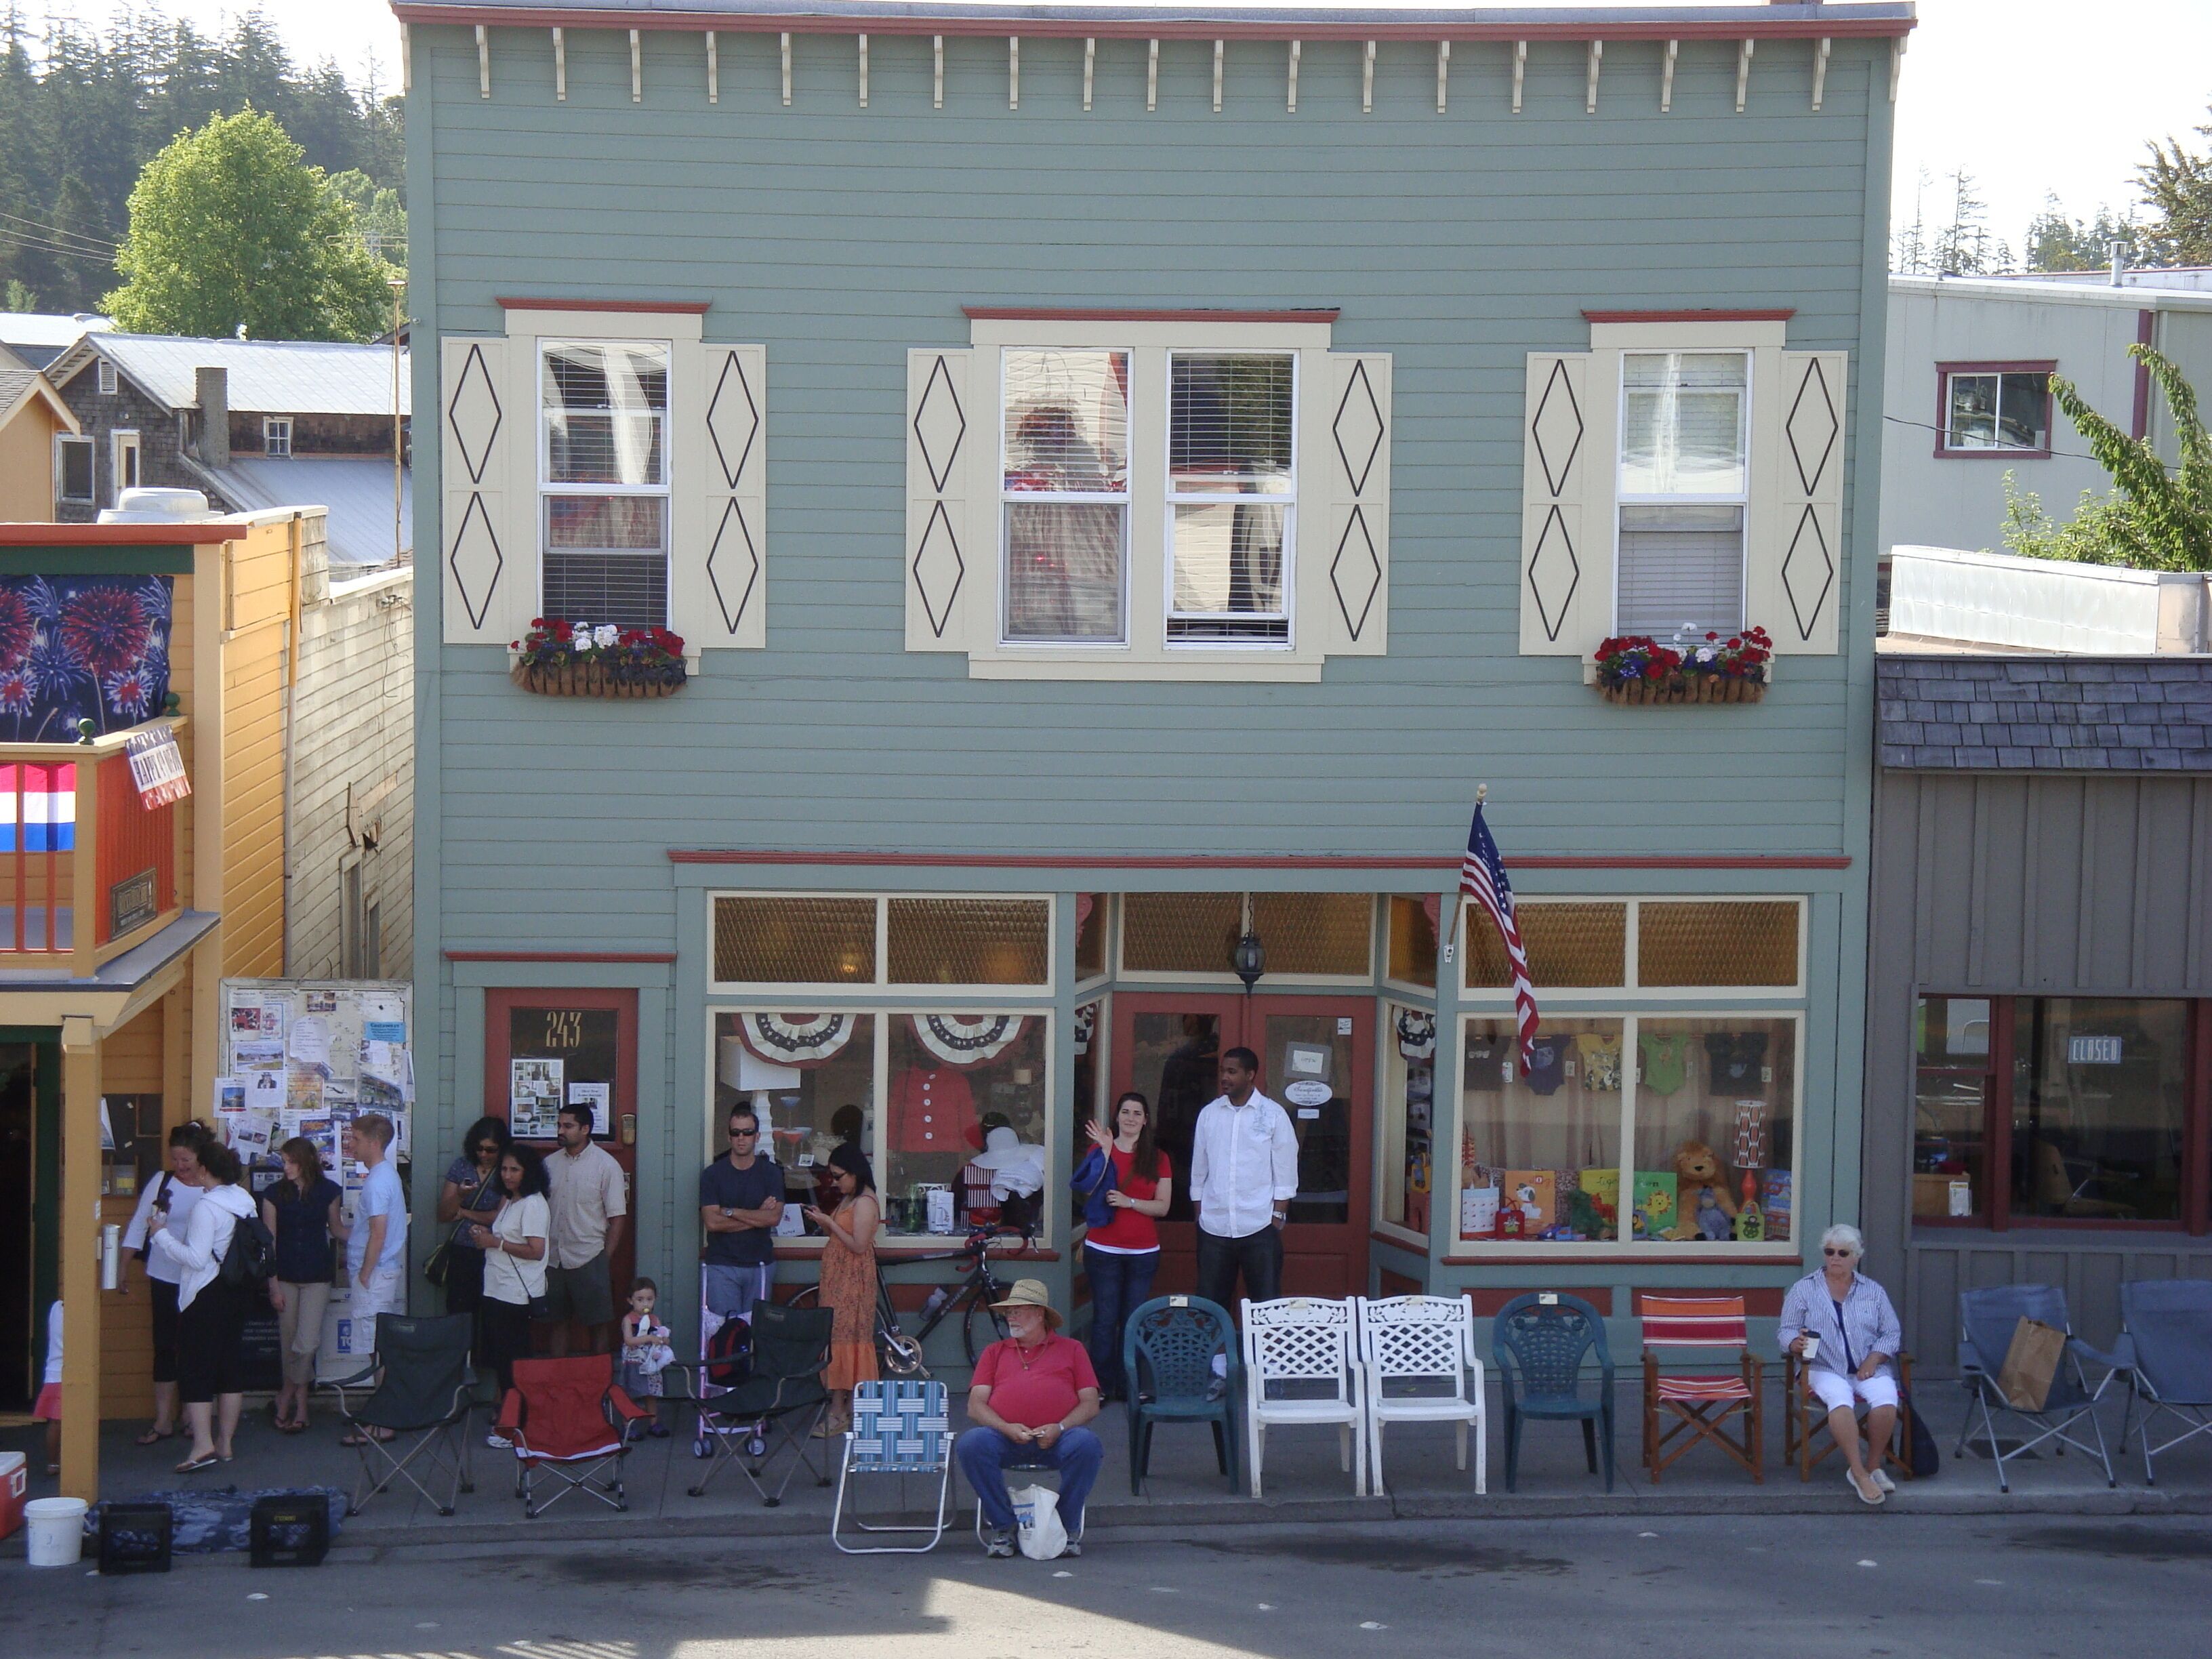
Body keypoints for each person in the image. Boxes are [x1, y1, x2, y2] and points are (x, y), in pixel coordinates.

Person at [955, 1279, 1102, 1559]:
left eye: (1018, 1311)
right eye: (1009, 1312)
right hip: (1006, 1437)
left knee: (1087, 1445)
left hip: (1059, 1437)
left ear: (1039, 1314)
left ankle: (1063, 1526)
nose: (1011, 1317)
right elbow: (975, 1406)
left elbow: (1090, 1403)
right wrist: (1005, 1427)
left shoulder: (1072, 1349)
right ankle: (1004, 1526)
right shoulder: (994, 1352)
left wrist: (1059, 1428)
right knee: (972, 1444)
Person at [1189, 1046, 1298, 1393]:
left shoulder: (1273, 1115)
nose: (1225, 1077)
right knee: (1212, 1302)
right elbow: (1199, 1168)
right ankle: (1219, 1372)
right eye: (1224, 1070)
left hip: (1258, 1225)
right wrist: (1200, 1211)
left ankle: (1271, 1373)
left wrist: (1277, 1215)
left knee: (1265, 1302)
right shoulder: (1209, 1115)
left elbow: (1285, 1169)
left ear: (1251, 1075)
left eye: (1233, 1071)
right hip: (1215, 1227)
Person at [1779, 1223, 1906, 1507]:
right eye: (1829, 1251)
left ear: (1856, 1256)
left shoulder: (1873, 1291)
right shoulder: (1804, 1289)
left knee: (1886, 1401)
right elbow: (1786, 1329)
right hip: (1823, 1367)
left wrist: (1874, 1359)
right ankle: (1858, 1472)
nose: (1835, 1257)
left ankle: (1873, 1466)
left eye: (1842, 1252)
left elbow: (1892, 1332)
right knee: (1840, 1400)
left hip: (1867, 1366)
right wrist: (1794, 1344)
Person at [148, 1139, 256, 1474]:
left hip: (205, 1293)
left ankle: (202, 1444)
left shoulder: (206, 1207)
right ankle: (225, 1444)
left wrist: (161, 1235)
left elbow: (196, 1258)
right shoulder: (245, 1200)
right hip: (238, 1291)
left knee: (196, 1368)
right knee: (229, 1367)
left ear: (206, 1170)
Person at [119, 1121, 213, 1446]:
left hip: (198, 1280)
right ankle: (163, 1419)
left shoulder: (211, 1186)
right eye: (176, 1159)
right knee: (164, 1346)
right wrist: (124, 1266)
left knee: (195, 1348)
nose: (180, 1166)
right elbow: (138, 1225)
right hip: (163, 1276)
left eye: (186, 1160)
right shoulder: (162, 1182)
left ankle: (191, 1414)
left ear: (201, 1158)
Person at [1077, 1091, 1173, 1402]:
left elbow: (1163, 1207)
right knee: (1105, 1319)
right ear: (1116, 1117)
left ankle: (1133, 1385)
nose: (1131, 1118)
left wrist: (1130, 1202)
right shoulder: (1100, 1149)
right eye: (1125, 1112)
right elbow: (1086, 1189)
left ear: (1146, 1120)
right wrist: (1105, 1153)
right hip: (1103, 1249)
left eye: (1137, 1113)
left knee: (1136, 1318)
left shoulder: (1158, 1158)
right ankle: (1101, 1388)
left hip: (1143, 1252)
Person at [262, 1136, 342, 1433]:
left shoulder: (328, 1192)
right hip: (284, 1275)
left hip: (317, 1274)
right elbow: (269, 1243)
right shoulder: (273, 1194)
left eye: (291, 1161)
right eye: (283, 1161)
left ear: (306, 1162)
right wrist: (272, 1285)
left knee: (306, 1343)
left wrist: (372, 1236)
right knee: (289, 1343)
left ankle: (285, 1395)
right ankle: (303, 1406)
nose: (286, 1168)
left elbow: (336, 1229)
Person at [335, 1113, 408, 1435]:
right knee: (377, 1347)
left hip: (375, 1275)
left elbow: (378, 1233)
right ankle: (385, 1413)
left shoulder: (377, 1182)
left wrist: (365, 1273)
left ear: (374, 1143)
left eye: (357, 1139)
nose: (351, 1144)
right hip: (379, 1272)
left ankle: (385, 1420)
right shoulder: (384, 1176)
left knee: (377, 1349)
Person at [471, 1143, 550, 1430]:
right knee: (501, 1359)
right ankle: (509, 1412)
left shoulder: (533, 1204)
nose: (507, 1175)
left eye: (515, 1169)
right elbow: (501, 1237)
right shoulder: (511, 1200)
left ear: (528, 1172)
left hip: (517, 1293)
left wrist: (497, 1243)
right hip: (496, 1287)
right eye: (504, 1169)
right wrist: (485, 1235)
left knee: (514, 1359)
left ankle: (517, 1419)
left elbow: (536, 1250)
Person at [802, 1141, 879, 1437]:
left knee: (848, 1339)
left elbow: (859, 1245)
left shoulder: (865, 1202)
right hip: (838, 1277)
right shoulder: (849, 1198)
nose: (834, 1182)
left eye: (838, 1176)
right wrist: (823, 1220)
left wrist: (829, 1224)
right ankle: (841, 1409)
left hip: (853, 1280)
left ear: (855, 1172)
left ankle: (840, 1411)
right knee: (837, 1338)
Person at [542, 1103, 628, 1356]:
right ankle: (557, 1386)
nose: (561, 1131)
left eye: (568, 1126)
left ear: (586, 1129)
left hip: (589, 1256)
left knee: (598, 1325)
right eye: (559, 1125)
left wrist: (604, 1259)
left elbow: (617, 1218)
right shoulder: (548, 1165)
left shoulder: (606, 1166)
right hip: (554, 1257)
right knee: (557, 1323)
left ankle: (597, 1387)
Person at [699, 1102, 782, 1330]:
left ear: (757, 1136)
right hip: (722, 1264)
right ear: (728, 1137)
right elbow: (712, 1223)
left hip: (760, 1265)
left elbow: (773, 1218)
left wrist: (731, 1211)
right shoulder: (713, 1175)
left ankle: (752, 1369)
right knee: (723, 1332)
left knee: (758, 1333)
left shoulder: (771, 1173)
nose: (741, 1138)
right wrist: (757, 1217)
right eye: (736, 1133)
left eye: (747, 1132)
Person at [437, 1116, 510, 1332]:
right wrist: (459, 1195)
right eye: (479, 1149)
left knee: (493, 1314)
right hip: (463, 1250)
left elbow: (501, 1217)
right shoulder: (462, 1166)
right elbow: (443, 1214)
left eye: (491, 1150)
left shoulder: (507, 1169)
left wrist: (464, 1212)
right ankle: (462, 1361)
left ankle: (485, 1362)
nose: (484, 1155)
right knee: (460, 1312)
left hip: (496, 1250)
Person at [617, 1277, 675, 1438]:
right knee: (631, 1394)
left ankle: (654, 1423)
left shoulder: (654, 1320)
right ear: (631, 1301)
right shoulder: (629, 1320)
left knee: (651, 1394)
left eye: (649, 1300)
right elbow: (629, 1340)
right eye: (640, 1300)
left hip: (650, 1363)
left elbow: (660, 1336)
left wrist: (663, 1339)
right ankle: (627, 1425)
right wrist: (649, 1338)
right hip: (634, 1362)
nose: (645, 1304)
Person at [33, 1298, 60, 1475]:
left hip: (53, 1371)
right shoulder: (77, 1313)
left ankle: (53, 1463)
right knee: (63, 1423)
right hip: (66, 1372)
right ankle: (57, 1463)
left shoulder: (56, 1307)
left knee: (55, 1422)